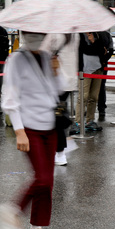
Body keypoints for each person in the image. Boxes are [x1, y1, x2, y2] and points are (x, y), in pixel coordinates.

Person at [0, 31, 64, 229]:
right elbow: (10, 96)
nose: (36, 36)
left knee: (48, 182)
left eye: (41, 33)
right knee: (42, 178)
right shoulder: (16, 58)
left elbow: (58, 91)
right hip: (29, 127)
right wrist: (19, 130)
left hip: (50, 125)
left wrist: (57, 71)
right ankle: (12, 209)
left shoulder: (47, 56)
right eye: (32, 32)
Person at [41, 34, 78, 166]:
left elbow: (42, 53)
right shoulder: (74, 33)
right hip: (68, 80)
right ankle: (60, 149)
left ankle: (60, 151)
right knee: (58, 113)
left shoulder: (54, 33)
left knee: (55, 116)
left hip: (55, 79)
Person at [72, 32, 108, 133]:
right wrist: (96, 46)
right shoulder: (79, 35)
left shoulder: (98, 34)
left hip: (98, 68)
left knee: (94, 97)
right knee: (83, 96)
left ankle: (90, 120)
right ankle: (78, 122)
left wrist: (93, 41)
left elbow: (103, 50)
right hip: (85, 70)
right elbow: (85, 50)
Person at [95, 30, 113, 122]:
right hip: (103, 64)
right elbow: (111, 50)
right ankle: (101, 108)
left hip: (90, 64)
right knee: (102, 86)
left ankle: (87, 108)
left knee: (87, 87)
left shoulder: (89, 33)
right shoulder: (107, 34)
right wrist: (105, 60)